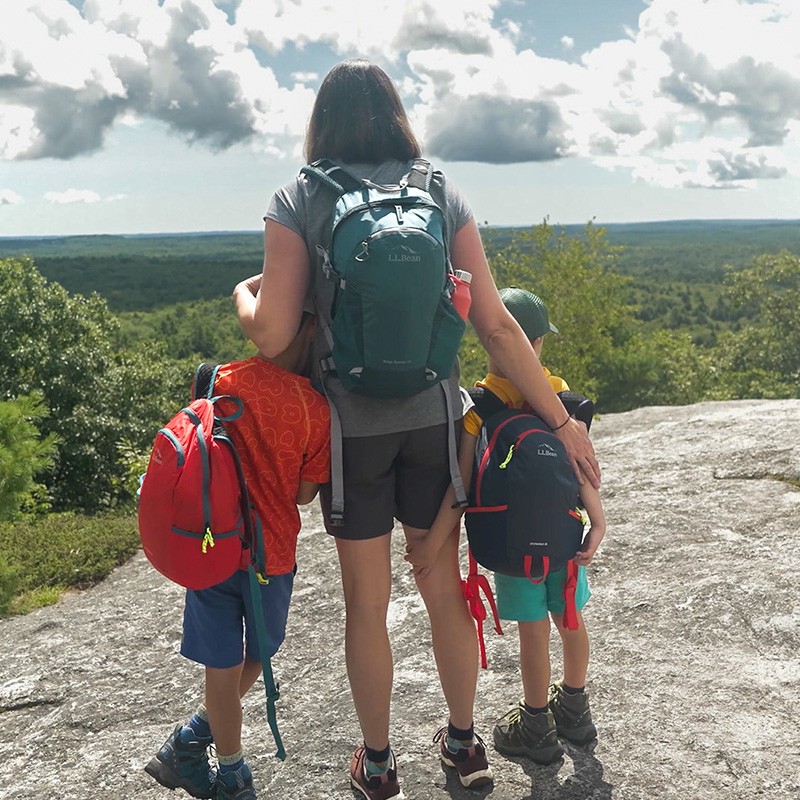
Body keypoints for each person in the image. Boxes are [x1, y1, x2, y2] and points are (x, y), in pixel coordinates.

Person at [233, 59, 600, 800]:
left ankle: (377, 764)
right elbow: (495, 326)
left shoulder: (300, 195)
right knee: (442, 589)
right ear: (396, 115)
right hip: (436, 422)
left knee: (366, 603)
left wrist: (243, 297)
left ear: (321, 121)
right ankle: (464, 747)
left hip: (351, 430)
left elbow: (272, 337)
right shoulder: (439, 189)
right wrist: (561, 422)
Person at [405, 287, 606, 765]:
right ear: (537, 343)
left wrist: (432, 544)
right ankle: (574, 710)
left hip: (511, 542)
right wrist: (596, 521)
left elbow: (462, 486)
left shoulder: (477, 407)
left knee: (533, 631)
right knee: (571, 620)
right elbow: (582, 471)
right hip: (563, 537)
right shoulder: (566, 405)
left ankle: (536, 725)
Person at [145, 311, 331, 800]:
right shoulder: (315, 407)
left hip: (211, 544)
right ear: (311, 329)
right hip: (270, 555)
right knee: (260, 652)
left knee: (221, 669)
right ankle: (230, 776)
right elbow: (306, 494)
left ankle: (190, 746)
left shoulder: (221, 378)